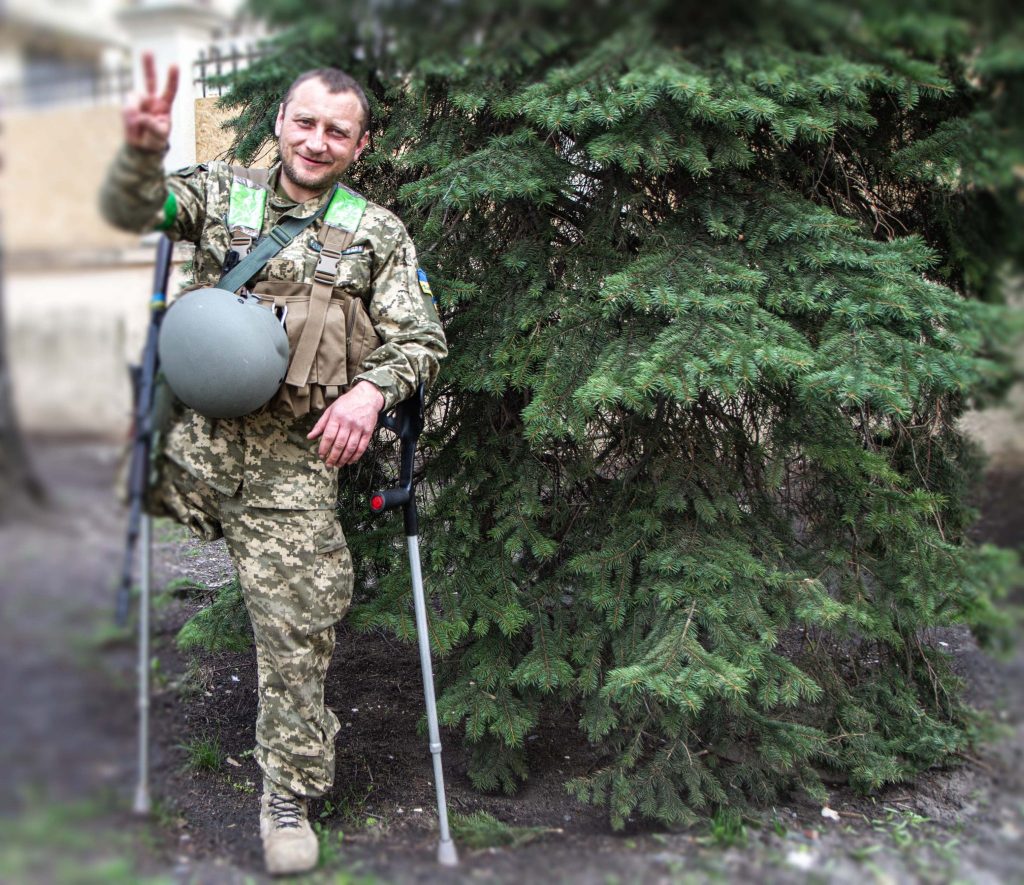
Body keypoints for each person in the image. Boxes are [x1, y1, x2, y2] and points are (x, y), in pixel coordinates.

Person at [100, 55, 447, 875]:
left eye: (338, 130)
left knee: (299, 622)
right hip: (195, 443)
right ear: (280, 122)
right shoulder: (224, 192)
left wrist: (368, 393)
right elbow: (134, 209)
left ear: (361, 144)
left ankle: (285, 794)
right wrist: (140, 154)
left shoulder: (375, 231)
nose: (316, 141)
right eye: (304, 122)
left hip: (293, 463)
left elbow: (422, 340)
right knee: (85, 481)